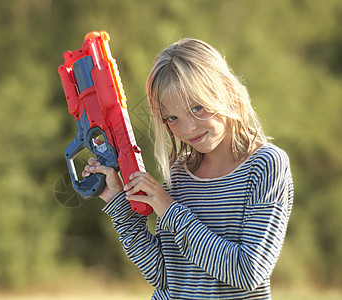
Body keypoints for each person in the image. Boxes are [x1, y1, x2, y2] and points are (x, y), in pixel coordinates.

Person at [82, 38, 293, 299]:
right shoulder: (179, 173)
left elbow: (248, 271)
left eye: (197, 108)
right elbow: (163, 275)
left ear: (226, 90)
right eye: (172, 118)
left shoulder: (266, 165)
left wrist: (170, 210)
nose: (187, 129)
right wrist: (118, 204)